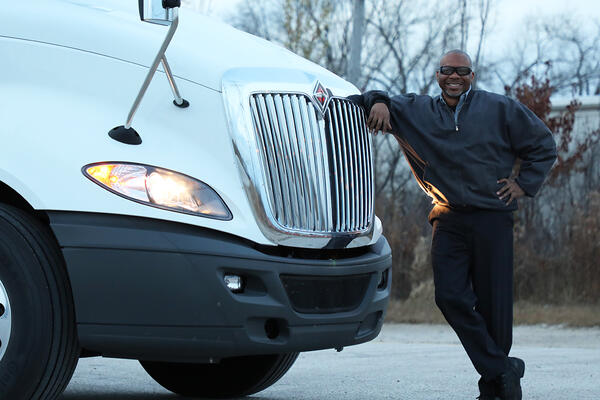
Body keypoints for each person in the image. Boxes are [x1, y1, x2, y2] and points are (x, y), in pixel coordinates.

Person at [349, 50, 557, 400]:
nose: (454, 77)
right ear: (438, 75)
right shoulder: (418, 111)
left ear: (472, 76)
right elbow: (367, 97)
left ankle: (494, 389)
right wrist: (380, 102)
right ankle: (503, 369)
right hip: (448, 218)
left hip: (493, 217)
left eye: (462, 71)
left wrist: (522, 185)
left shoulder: (499, 108)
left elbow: (543, 144)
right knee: (449, 296)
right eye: (447, 71)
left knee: (495, 308)